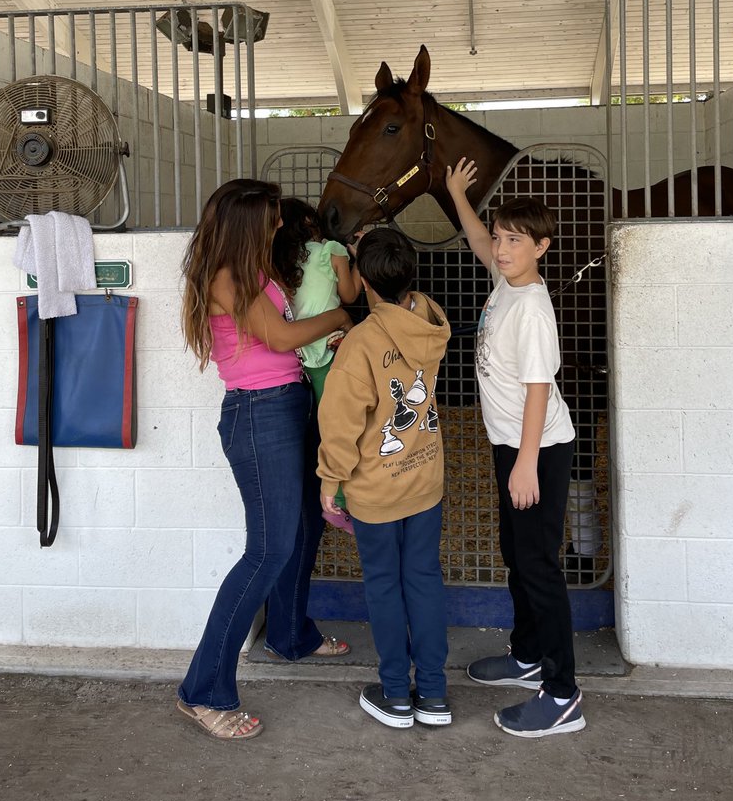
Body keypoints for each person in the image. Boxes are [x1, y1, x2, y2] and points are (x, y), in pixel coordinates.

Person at [176, 179, 353, 741]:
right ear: (249, 223)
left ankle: (291, 634)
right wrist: (342, 319)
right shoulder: (226, 278)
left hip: (288, 404)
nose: (280, 225)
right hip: (260, 417)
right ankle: (202, 690)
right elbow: (278, 337)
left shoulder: (253, 270)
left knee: (302, 530)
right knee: (268, 550)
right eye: (273, 218)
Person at [445, 158, 586, 739]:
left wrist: (526, 462)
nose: (500, 249)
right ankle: (528, 655)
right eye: (501, 238)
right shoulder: (508, 281)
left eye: (515, 240)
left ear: (542, 247)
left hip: (540, 449)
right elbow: (478, 238)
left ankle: (562, 694)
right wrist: (456, 195)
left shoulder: (531, 308)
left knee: (538, 565)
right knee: (516, 553)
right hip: (512, 445)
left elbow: (537, 390)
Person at [318, 228, 452, 729]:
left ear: (364, 282)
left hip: (377, 486)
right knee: (423, 580)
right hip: (424, 479)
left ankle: (397, 694)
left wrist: (329, 482)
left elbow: (341, 425)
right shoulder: (427, 319)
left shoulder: (360, 346)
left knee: (384, 585)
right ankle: (434, 695)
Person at [271, 197, 362, 400]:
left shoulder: (278, 260)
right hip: (330, 342)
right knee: (334, 410)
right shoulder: (330, 252)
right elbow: (350, 295)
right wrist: (360, 259)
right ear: (308, 221)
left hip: (297, 347)